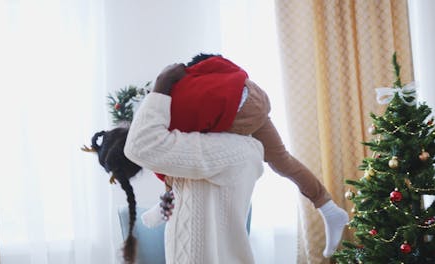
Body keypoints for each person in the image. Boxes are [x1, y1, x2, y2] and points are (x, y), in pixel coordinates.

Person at [138, 54, 349, 258]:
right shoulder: (228, 74)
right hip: (256, 101)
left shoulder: (194, 90)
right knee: (283, 161)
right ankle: (328, 207)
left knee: (179, 150)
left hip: (235, 112)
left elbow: (161, 149)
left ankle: (167, 198)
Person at [124, 63, 265, 263]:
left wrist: (162, 85)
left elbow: (139, 145)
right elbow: (204, 199)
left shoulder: (230, 149)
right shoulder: (218, 151)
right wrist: (167, 206)